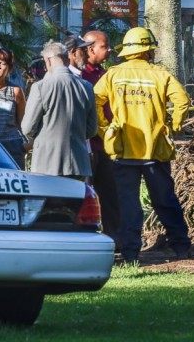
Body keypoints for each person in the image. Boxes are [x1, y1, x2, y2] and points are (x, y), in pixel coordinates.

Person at [94, 27, 191, 263]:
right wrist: (174, 125)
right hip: (154, 151)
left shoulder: (112, 75)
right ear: (148, 50)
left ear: (127, 51)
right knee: (164, 199)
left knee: (128, 204)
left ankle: (130, 254)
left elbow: (94, 101)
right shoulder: (161, 75)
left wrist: (105, 129)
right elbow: (183, 101)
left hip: (122, 150)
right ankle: (181, 247)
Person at [21, 41, 97, 179]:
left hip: (47, 163)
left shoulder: (40, 87)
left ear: (48, 61)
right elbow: (92, 129)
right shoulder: (86, 87)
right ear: (67, 59)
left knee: (49, 201)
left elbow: (27, 128)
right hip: (78, 163)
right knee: (75, 200)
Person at [81, 30, 120, 243]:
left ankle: (114, 239)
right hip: (88, 145)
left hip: (108, 146)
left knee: (111, 195)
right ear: (90, 48)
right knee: (87, 194)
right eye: (105, 46)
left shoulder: (106, 74)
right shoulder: (80, 77)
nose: (109, 49)